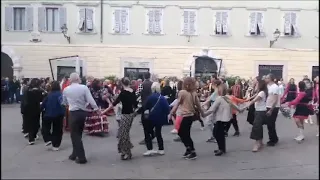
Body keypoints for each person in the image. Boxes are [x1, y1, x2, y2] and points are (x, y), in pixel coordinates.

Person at [62, 73, 100, 164]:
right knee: (78, 134)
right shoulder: (84, 88)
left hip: (73, 112)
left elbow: (64, 102)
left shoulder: (66, 89)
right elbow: (90, 99)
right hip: (83, 112)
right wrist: (96, 109)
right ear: (78, 79)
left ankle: (81, 157)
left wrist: (69, 104)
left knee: (75, 135)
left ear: (70, 80)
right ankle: (74, 154)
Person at [169, 77, 204, 160]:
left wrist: (171, 113)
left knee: (182, 133)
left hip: (185, 115)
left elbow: (177, 104)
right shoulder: (193, 93)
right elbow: (198, 105)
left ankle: (192, 151)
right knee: (184, 133)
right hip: (190, 116)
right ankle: (189, 149)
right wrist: (203, 113)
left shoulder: (182, 92)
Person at [202, 84, 243, 156]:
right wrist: (239, 110)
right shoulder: (226, 98)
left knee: (216, 133)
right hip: (225, 118)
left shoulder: (219, 99)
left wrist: (204, 114)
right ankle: (222, 148)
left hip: (220, 119)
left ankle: (221, 149)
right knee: (220, 134)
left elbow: (212, 109)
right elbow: (233, 105)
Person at [103, 77, 137, 160]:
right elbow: (135, 105)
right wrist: (134, 112)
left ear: (122, 84)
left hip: (125, 115)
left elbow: (114, 103)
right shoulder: (132, 92)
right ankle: (127, 151)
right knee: (125, 133)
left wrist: (103, 112)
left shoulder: (123, 93)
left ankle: (126, 152)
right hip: (130, 115)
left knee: (123, 134)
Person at [143, 82, 170, 156]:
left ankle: (150, 149)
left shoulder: (150, 97)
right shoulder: (162, 98)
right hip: (160, 118)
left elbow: (145, 107)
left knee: (148, 132)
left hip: (150, 118)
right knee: (158, 133)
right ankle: (161, 149)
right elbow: (167, 109)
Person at [40, 81, 65, 150]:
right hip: (59, 114)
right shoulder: (61, 94)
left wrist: (40, 109)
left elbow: (43, 104)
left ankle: (48, 139)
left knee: (45, 127)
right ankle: (56, 145)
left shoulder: (48, 95)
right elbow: (63, 104)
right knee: (57, 130)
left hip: (48, 114)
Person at [246, 80, 268, 152]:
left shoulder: (261, 93)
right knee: (259, 127)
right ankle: (260, 142)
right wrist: (244, 100)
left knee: (256, 127)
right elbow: (252, 97)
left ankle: (257, 144)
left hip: (260, 112)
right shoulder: (260, 92)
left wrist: (243, 107)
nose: (256, 85)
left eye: (257, 84)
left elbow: (253, 100)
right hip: (258, 111)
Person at [22, 78, 43, 145]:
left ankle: (31, 137)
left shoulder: (28, 91)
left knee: (31, 124)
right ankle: (32, 136)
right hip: (35, 109)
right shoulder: (38, 92)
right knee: (35, 123)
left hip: (29, 110)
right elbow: (41, 100)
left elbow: (24, 101)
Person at [136, 72, 155, 145]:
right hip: (152, 104)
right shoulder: (153, 84)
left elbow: (137, 93)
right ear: (149, 76)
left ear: (144, 77)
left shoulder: (142, 84)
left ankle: (148, 137)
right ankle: (152, 133)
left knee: (144, 121)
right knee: (150, 120)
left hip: (144, 104)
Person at [264, 74, 280, 146]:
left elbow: (275, 99)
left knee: (271, 124)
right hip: (267, 106)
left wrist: (271, 109)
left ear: (270, 79)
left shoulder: (275, 87)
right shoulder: (268, 86)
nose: (265, 79)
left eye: (267, 78)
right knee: (269, 124)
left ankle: (273, 140)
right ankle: (274, 138)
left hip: (273, 107)